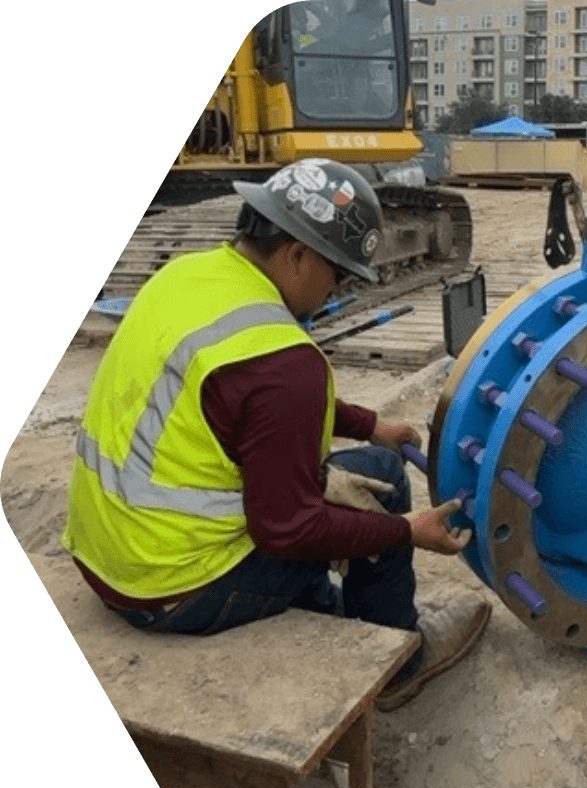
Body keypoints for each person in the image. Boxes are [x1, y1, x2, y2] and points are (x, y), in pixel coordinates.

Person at [62, 158, 490, 712]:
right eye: (336, 272)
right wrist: (406, 532)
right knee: (382, 483)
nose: (335, 290)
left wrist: (369, 425)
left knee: (335, 477)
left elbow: (240, 397)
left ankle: (313, 600)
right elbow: (287, 529)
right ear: (297, 256)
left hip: (109, 553)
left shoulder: (186, 277)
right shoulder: (286, 362)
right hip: (175, 591)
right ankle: (400, 659)